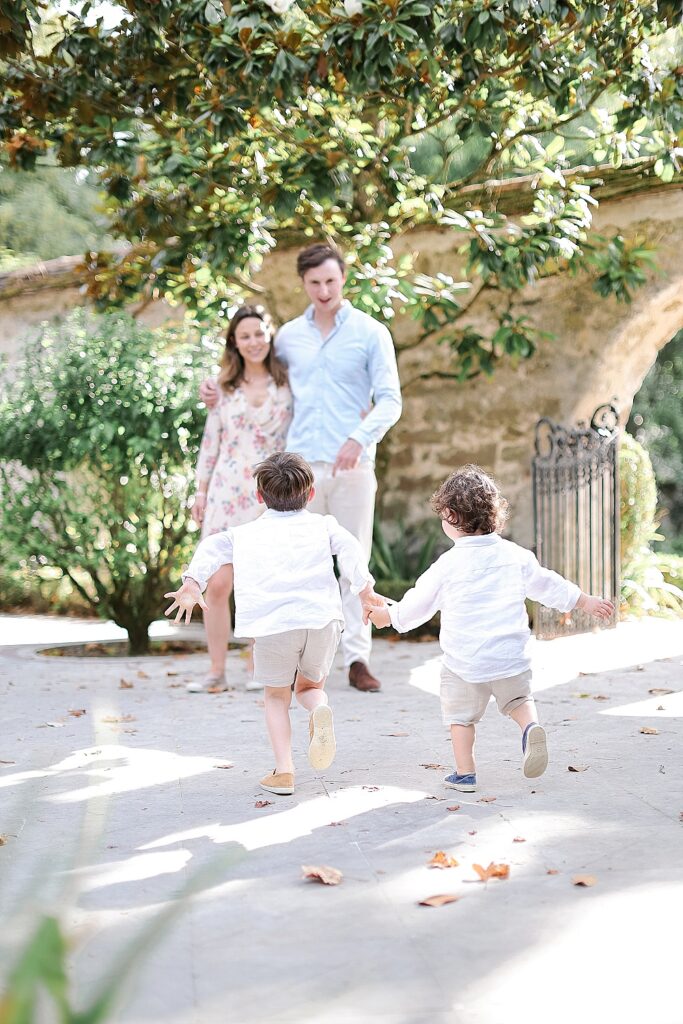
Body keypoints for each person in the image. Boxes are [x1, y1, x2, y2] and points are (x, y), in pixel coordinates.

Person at [200, 242, 401, 693]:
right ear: (304, 284)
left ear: (343, 278)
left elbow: (391, 400)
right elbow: (255, 370)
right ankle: (302, 664)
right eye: (315, 283)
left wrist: (360, 437)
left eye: (331, 281)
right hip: (300, 471)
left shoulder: (371, 333)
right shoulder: (289, 336)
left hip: (352, 464)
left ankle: (358, 659)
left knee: (354, 561)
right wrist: (215, 386)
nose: (324, 290)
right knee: (299, 568)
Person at [363, 465, 615, 791]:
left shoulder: (447, 565)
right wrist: (583, 601)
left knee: (460, 717)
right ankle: (530, 728)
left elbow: (418, 604)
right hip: (511, 657)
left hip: (465, 663)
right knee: (519, 700)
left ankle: (465, 773)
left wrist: (389, 617)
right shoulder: (516, 556)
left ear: (451, 517)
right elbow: (548, 585)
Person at [165, 453, 376, 796]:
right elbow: (351, 548)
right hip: (322, 621)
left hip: (274, 626)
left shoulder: (244, 533)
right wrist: (364, 590)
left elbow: (211, 547)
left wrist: (192, 582)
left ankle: (284, 771)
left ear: (259, 496)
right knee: (308, 688)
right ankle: (319, 709)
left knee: (277, 697)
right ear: (311, 494)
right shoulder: (324, 525)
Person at [189, 305, 292, 694]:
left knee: (261, 584)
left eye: (259, 333)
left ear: (270, 334)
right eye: (244, 336)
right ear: (234, 341)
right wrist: (200, 491)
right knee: (218, 584)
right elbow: (210, 442)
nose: (253, 342)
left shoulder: (287, 384)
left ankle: (256, 667)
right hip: (225, 493)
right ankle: (216, 670)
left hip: (269, 497)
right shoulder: (222, 388)